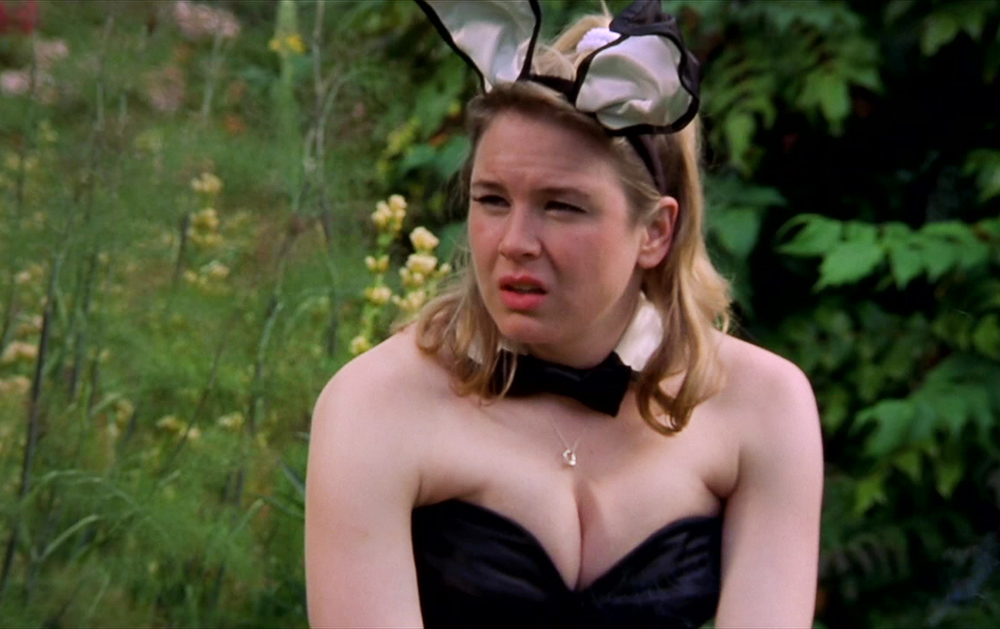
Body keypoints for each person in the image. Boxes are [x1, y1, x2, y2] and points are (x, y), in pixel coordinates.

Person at [305, 1, 823, 627]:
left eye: (562, 207)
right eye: (492, 200)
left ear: (655, 232)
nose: (515, 242)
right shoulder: (377, 405)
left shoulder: (762, 405)